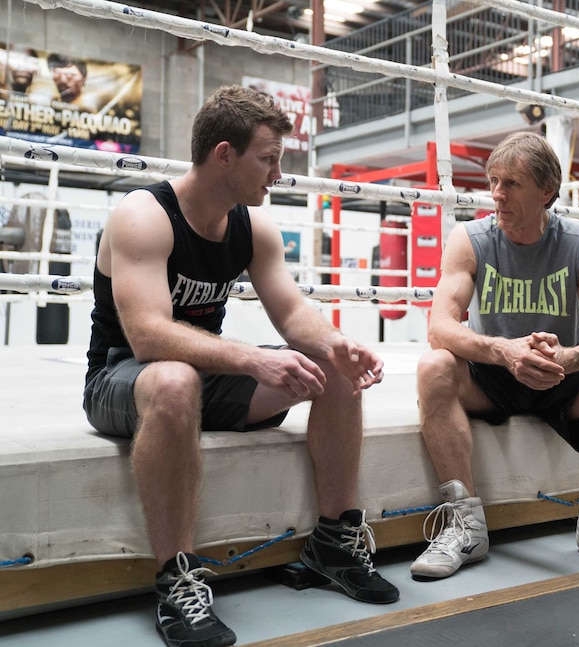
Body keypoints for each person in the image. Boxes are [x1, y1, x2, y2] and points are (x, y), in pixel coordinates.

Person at [83, 85, 398, 647]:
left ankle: (332, 542)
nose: (277, 174)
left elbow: (295, 312)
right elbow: (148, 336)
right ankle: (177, 580)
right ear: (223, 154)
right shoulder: (143, 216)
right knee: (175, 379)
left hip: (203, 380)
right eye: (268, 159)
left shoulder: (253, 227)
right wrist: (252, 360)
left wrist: (336, 345)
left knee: (331, 366)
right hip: (122, 379)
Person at [410, 131, 579, 580]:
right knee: (434, 367)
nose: (497, 195)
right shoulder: (470, 238)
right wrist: (503, 351)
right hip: (494, 375)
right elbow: (440, 327)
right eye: (493, 181)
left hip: (560, 377)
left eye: (512, 184)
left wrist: (568, 358)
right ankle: (464, 525)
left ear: (547, 191)